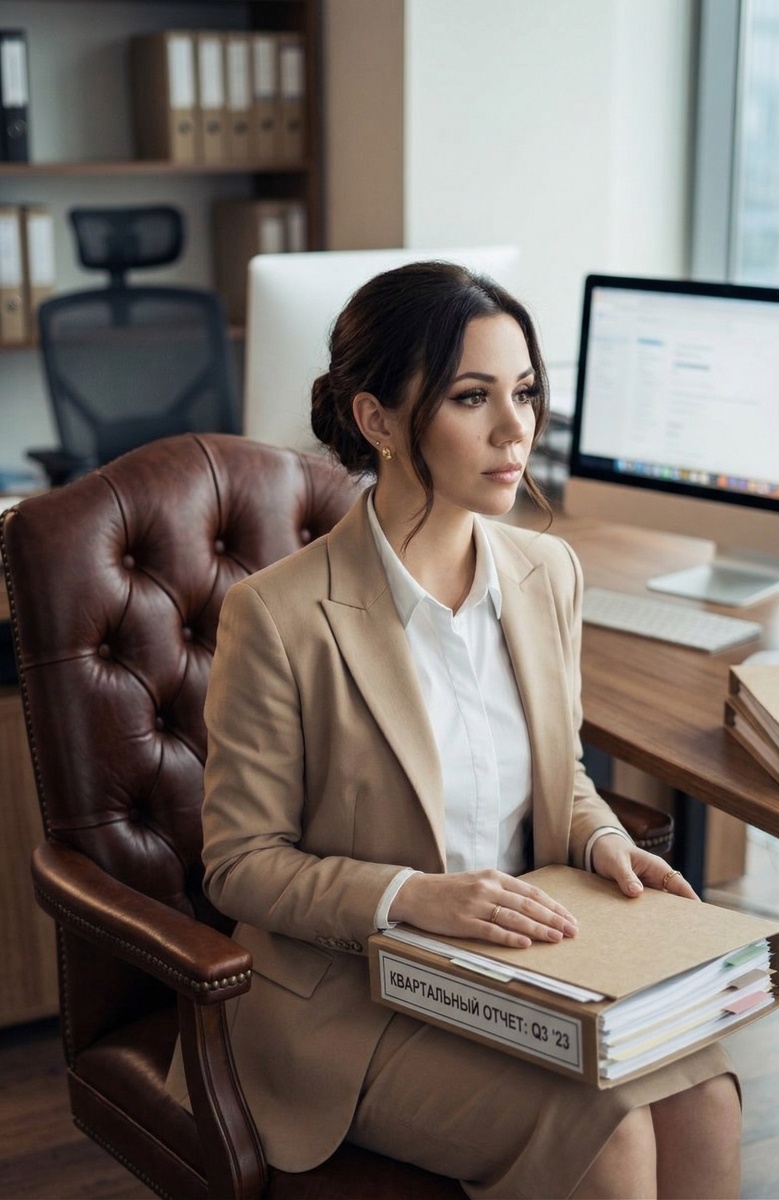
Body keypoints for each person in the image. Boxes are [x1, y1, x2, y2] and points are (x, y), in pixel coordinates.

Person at [188, 262, 742, 1198]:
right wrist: (412, 896)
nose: (515, 427)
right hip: (354, 997)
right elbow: (238, 864)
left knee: (704, 1092)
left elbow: (557, 771)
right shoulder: (277, 617)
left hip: (527, 968)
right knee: (602, 1128)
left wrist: (603, 838)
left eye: (524, 392)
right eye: (472, 397)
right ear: (377, 421)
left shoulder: (546, 572)